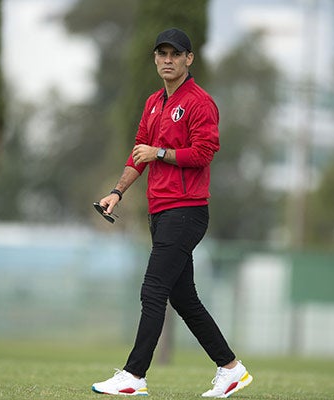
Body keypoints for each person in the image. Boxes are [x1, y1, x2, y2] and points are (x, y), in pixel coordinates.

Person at [91, 28, 253, 398]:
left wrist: (159, 153)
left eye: (175, 54)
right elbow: (138, 155)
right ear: (155, 59)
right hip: (161, 212)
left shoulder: (199, 102)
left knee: (153, 290)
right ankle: (231, 369)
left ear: (188, 59)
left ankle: (134, 375)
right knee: (183, 298)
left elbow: (205, 153)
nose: (167, 59)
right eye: (161, 53)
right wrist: (117, 192)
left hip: (187, 212)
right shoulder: (153, 103)